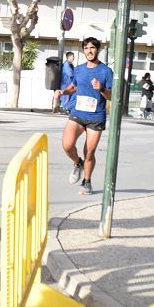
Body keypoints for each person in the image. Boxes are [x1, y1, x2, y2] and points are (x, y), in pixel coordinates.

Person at [60, 37, 114, 196]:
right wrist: (63, 91)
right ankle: (78, 163)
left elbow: (111, 96)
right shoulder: (79, 69)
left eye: (92, 48)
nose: (89, 51)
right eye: (86, 48)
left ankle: (87, 182)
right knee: (67, 145)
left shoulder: (106, 71)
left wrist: (102, 89)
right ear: (83, 50)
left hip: (96, 116)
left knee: (89, 151)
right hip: (77, 113)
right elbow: (74, 87)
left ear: (98, 50)